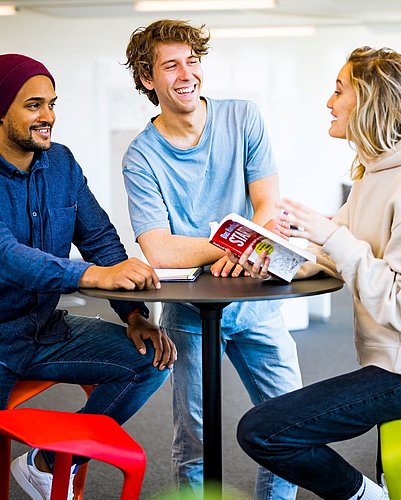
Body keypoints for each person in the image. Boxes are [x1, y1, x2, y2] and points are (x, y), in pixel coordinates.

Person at [230, 46, 401, 500]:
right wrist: (276, 259)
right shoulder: (374, 176)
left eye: (339, 90)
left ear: (369, 101)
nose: (329, 101)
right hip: (396, 363)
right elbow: (334, 253)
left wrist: (332, 236)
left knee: (263, 431)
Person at [122, 19, 302, 499]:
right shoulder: (141, 156)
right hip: (192, 312)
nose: (187, 74)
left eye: (193, 60)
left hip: (257, 301)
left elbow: (268, 204)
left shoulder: (242, 117)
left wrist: (242, 241)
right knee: (197, 440)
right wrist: (237, 243)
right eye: (171, 65)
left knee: (289, 425)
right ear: (147, 78)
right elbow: (158, 248)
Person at [0, 53, 177, 499]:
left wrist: (134, 314)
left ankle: (49, 465)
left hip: (45, 330)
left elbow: (99, 238)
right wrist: (93, 277)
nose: (48, 117)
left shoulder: (61, 163)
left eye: (52, 104)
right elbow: (8, 257)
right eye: (33, 105)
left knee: (148, 358)